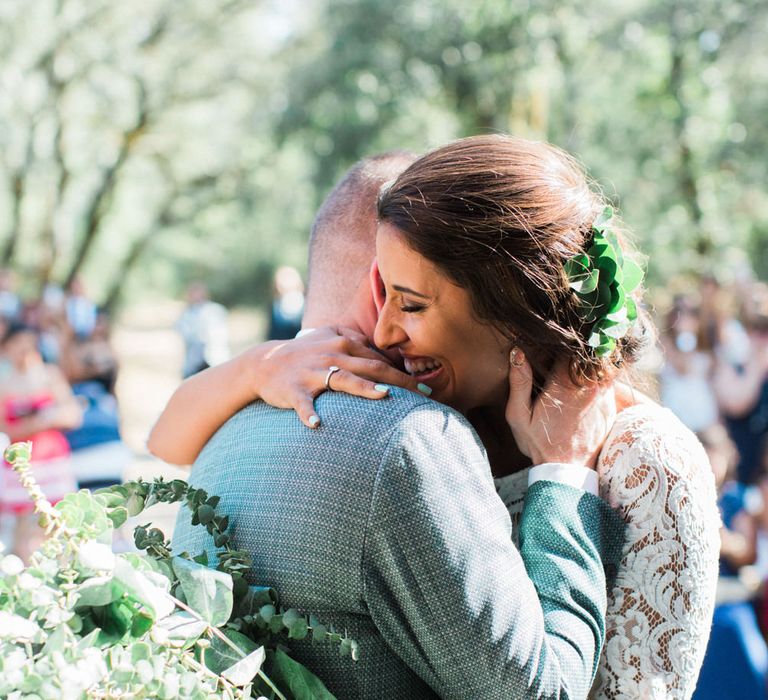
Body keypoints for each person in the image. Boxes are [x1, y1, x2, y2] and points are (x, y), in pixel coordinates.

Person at [154, 137, 721, 698]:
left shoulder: (646, 460)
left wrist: (565, 472)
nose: (382, 332)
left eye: (410, 300)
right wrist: (258, 367)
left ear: (507, 301)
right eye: (385, 293)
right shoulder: (397, 421)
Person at [692, 424, 768, 700]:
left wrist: (717, 536)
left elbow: (747, 551)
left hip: (731, 603)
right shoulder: (688, 497)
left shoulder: (737, 499)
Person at [0, 323, 81, 560]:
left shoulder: (50, 375)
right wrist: (33, 425)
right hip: (21, 463)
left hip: (51, 459)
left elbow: (72, 414)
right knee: (22, 527)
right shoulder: (4, 384)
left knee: (56, 523)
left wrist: (44, 421)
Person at [176, 282, 230, 378]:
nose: (196, 296)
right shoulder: (185, 314)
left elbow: (220, 334)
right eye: (193, 294)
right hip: (193, 363)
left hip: (215, 360)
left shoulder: (215, 310)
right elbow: (185, 334)